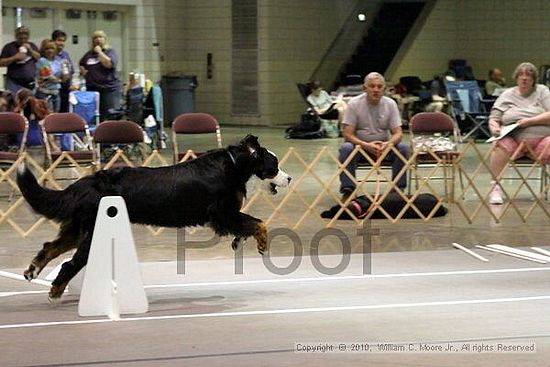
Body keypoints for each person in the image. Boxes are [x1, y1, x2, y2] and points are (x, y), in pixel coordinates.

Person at [338, 72, 410, 200]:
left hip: (384, 149)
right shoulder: (354, 103)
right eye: (372, 86)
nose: (376, 90)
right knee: (345, 148)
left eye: (379, 86)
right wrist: (366, 145)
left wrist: (388, 144)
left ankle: (398, 190)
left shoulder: (390, 104)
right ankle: (348, 190)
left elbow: (398, 132)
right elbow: (347, 133)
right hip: (360, 149)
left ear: (384, 89)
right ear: (364, 88)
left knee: (403, 148)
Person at [488, 62, 550, 204]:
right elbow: (494, 118)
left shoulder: (542, 91)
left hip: (541, 141)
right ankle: (495, 188)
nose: (524, 78)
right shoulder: (507, 94)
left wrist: (530, 121)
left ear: (534, 79)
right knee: (499, 146)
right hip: (513, 141)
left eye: (528, 75)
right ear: (516, 78)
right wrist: (495, 128)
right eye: (521, 75)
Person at [79, 30, 121, 121]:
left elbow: (109, 64)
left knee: (110, 115)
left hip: (108, 89)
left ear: (105, 40)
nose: (98, 39)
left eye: (100, 37)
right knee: (96, 115)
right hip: (93, 88)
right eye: (95, 38)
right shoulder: (89, 54)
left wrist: (100, 52)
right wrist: (83, 71)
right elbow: (81, 63)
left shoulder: (110, 51)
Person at [0, 26, 40, 94]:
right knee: (14, 103)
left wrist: (31, 50)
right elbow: (1, 63)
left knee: (30, 103)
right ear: (16, 36)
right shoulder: (9, 47)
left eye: (25, 37)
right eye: (21, 37)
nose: (23, 39)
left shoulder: (32, 46)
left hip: (30, 84)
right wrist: (14, 57)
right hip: (14, 83)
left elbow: (39, 58)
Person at [35, 39, 65, 112]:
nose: (50, 51)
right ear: (43, 50)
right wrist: (60, 80)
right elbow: (50, 77)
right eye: (47, 49)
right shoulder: (42, 61)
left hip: (56, 92)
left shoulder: (58, 61)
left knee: (56, 116)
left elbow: (65, 75)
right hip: (45, 93)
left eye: (52, 48)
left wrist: (61, 79)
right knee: (48, 116)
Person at [52, 30, 74, 112]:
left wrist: (71, 84)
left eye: (63, 41)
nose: (61, 43)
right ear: (53, 41)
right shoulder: (49, 54)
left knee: (65, 113)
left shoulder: (65, 54)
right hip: (53, 89)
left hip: (66, 89)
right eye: (59, 40)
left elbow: (71, 71)